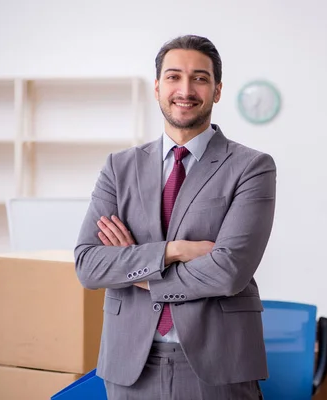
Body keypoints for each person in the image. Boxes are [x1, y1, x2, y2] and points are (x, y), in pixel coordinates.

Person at [74, 34, 276, 400]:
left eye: (200, 78)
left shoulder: (251, 167)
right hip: (129, 364)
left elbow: (229, 272)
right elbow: (89, 266)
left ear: (216, 91)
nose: (186, 89)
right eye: (173, 77)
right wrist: (175, 251)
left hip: (218, 362)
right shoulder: (119, 168)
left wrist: (136, 271)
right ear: (157, 88)